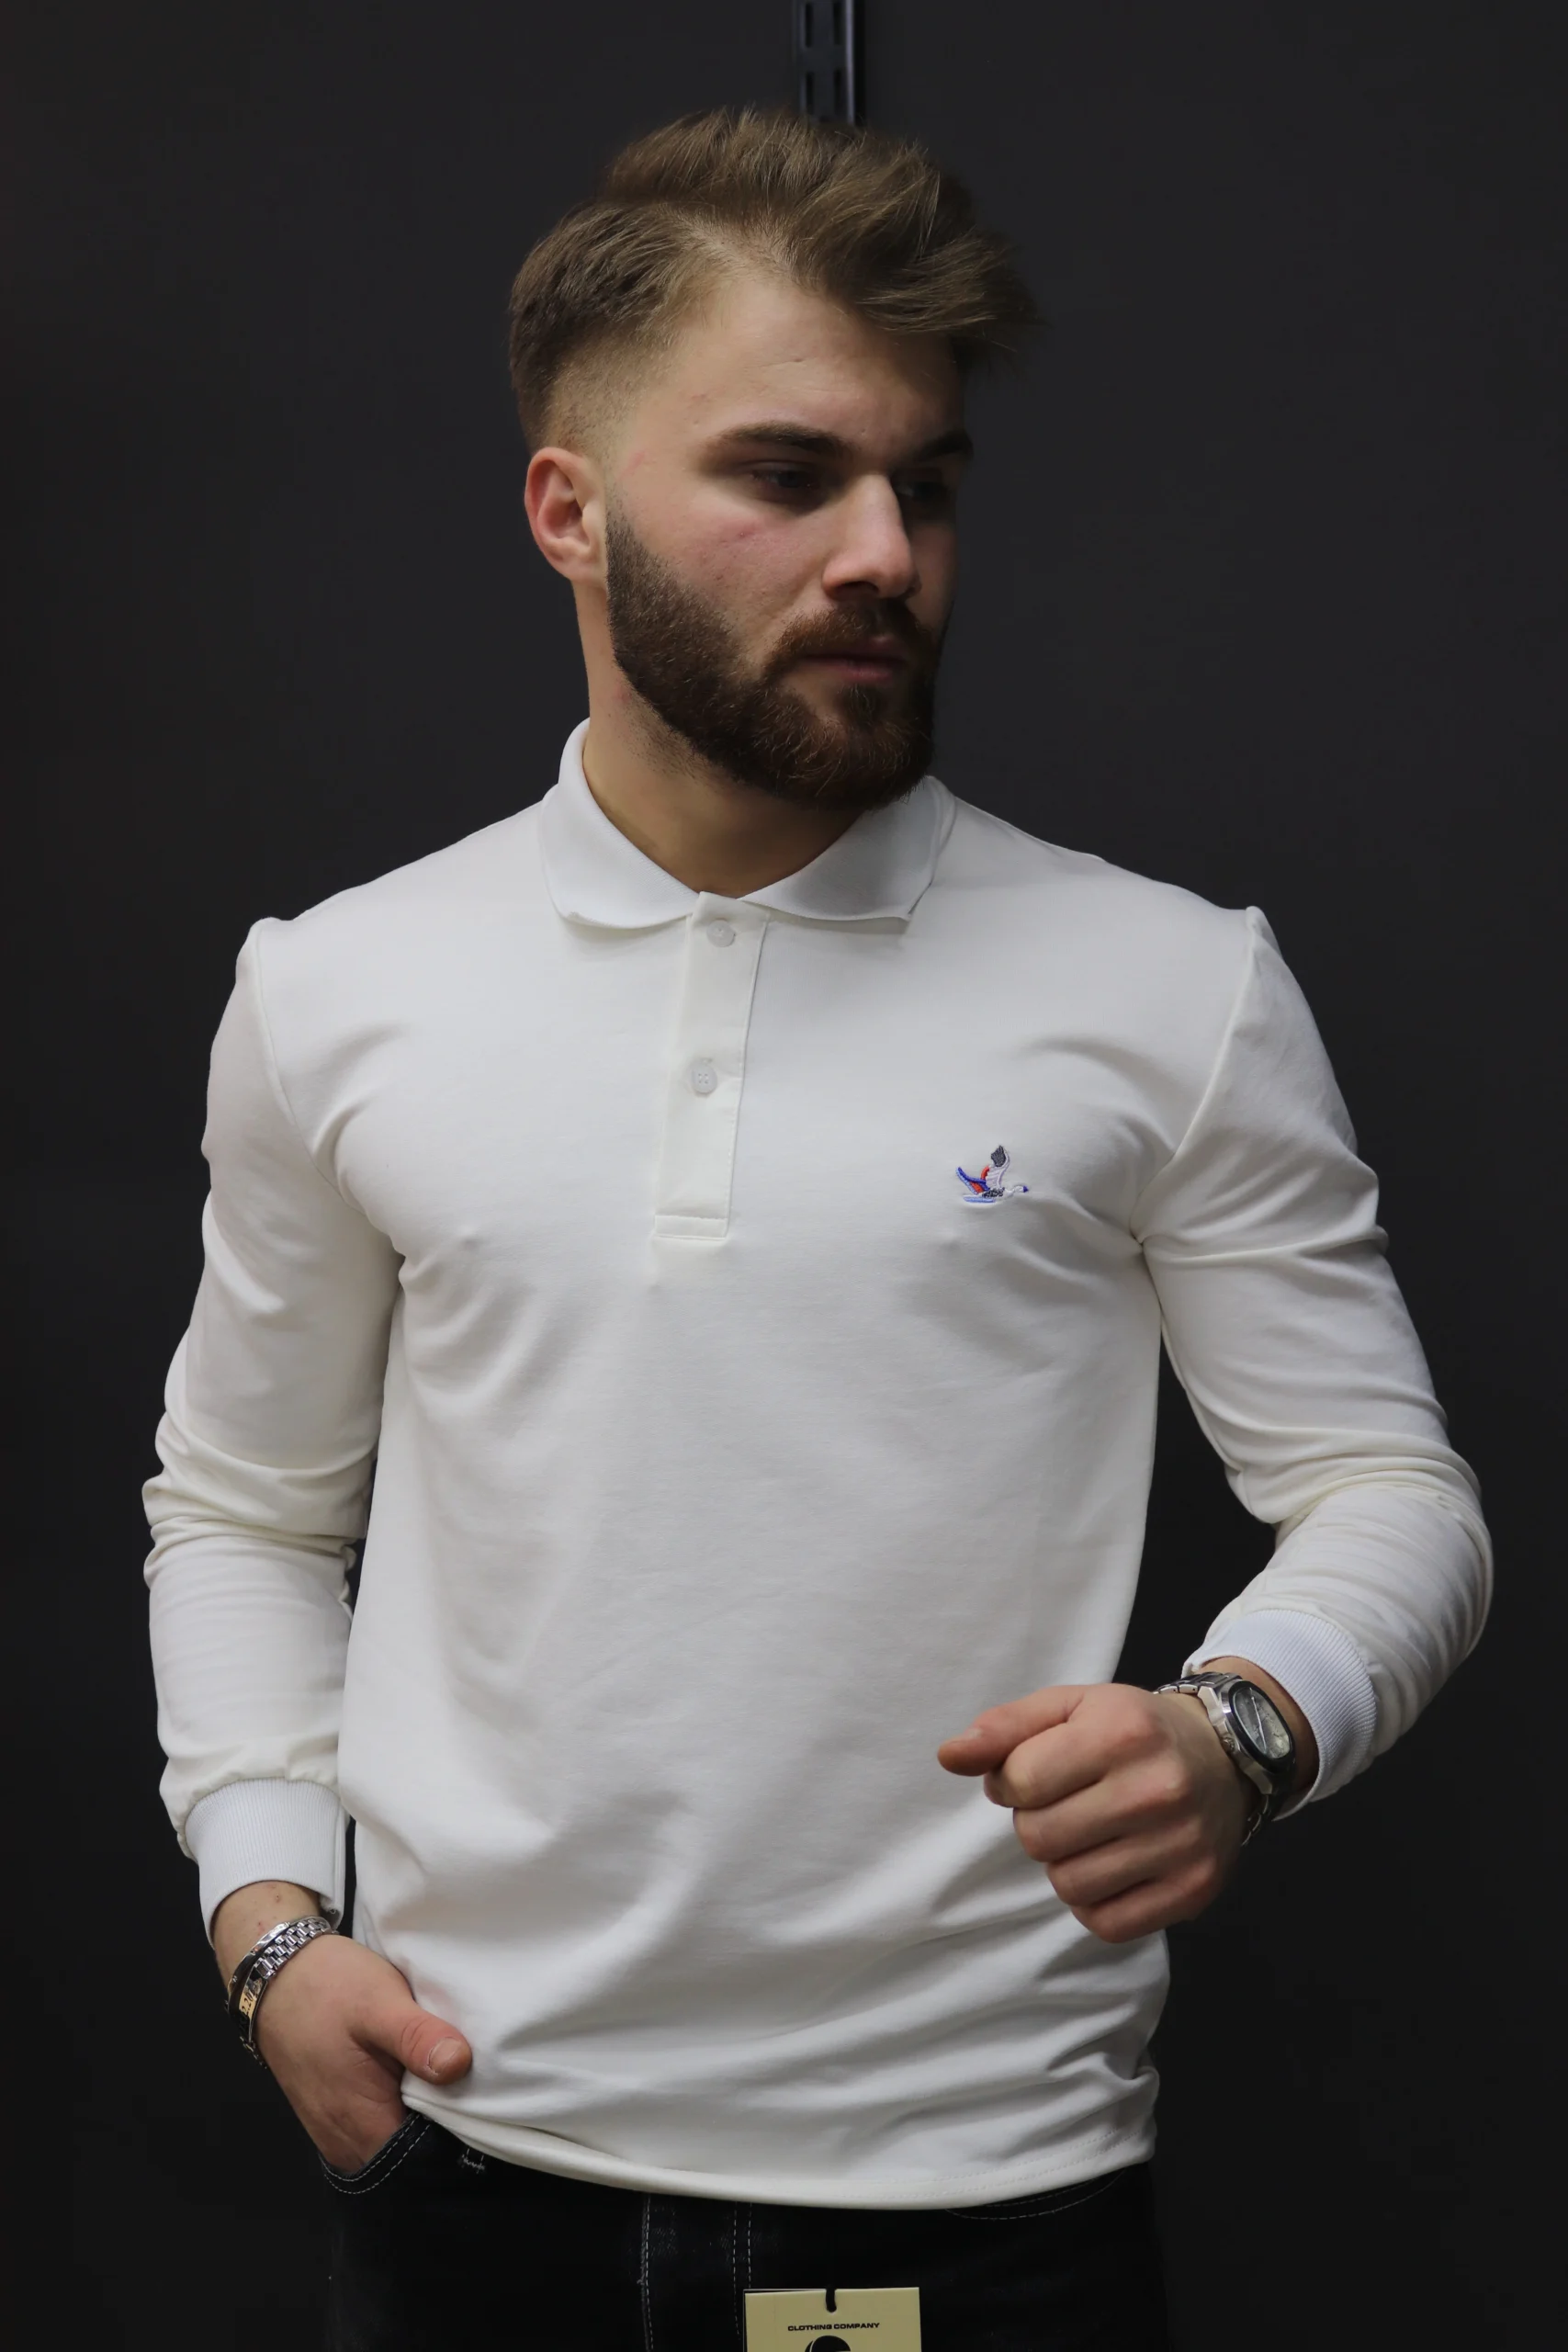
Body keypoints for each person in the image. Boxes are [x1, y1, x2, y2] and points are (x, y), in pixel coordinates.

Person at [145, 108, 1490, 2349]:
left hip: (977, 2206)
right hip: (465, 2173)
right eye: (787, 475)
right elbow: (245, 1509)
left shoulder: (1169, 986)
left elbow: (1389, 1492)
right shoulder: (337, 987)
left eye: (925, 484)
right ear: (568, 511)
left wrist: (1243, 1727)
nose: (886, 553)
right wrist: (269, 1928)